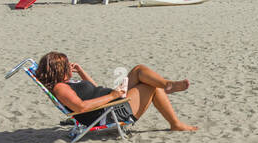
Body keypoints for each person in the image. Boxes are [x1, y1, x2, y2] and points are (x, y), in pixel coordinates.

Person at [36, 53, 197, 132]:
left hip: (110, 100)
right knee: (150, 86)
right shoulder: (60, 88)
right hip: (110, 111)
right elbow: (81, 107)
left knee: (139, 70)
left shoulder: (65, 82)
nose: (69, 65)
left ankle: (167, 84)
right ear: (60, 69)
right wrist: (113, 96)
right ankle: (175, 123)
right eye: (66, 65)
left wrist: (81, 71)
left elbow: (94, 88)